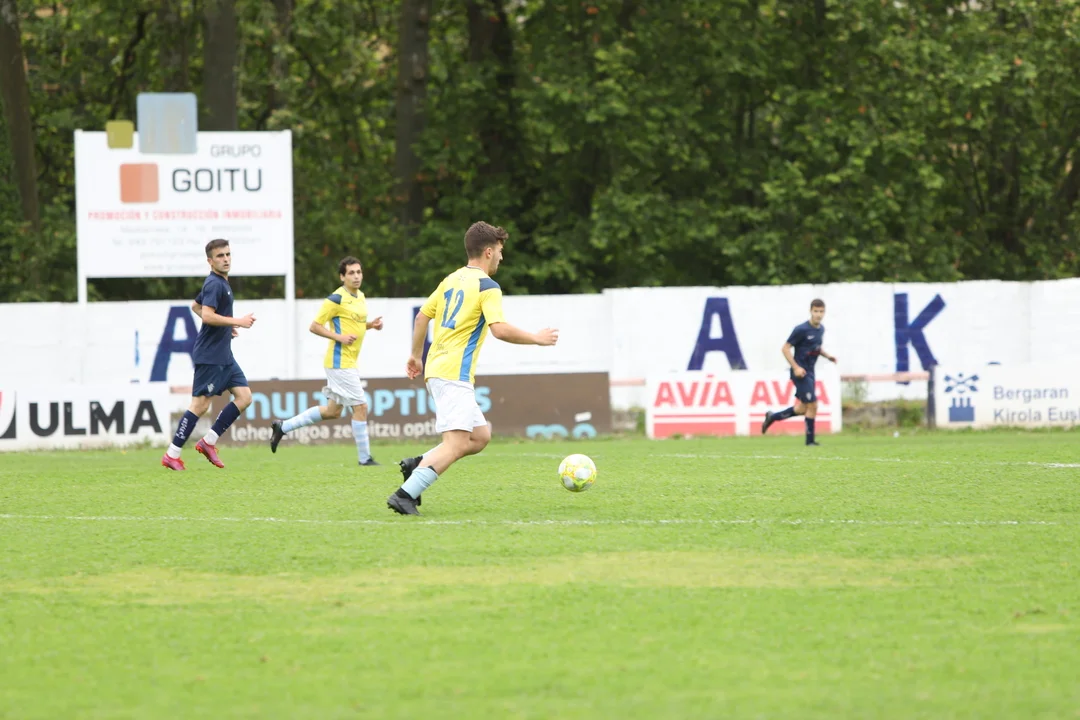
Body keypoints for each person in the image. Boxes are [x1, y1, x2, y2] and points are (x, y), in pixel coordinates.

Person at [387, 221, 559, 515]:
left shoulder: (451, 279)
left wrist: (416, 356)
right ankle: (405, 494)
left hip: (438, 369)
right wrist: (536, 338)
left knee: (479, 437)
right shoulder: (487, 286)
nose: (502, 257)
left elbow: (421, 318)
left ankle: (418, 465)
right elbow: (499, 329)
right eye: (500, 251)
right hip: (453, 373)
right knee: (455, 445)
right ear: (489, 252)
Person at [269, 256, 383, 465]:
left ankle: (283, 427)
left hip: (348, 362)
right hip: (340, 362)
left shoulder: (360, 296)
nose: (356, 276)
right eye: (351, 273)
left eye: (359, 272)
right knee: (360, 407)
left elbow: (354, 323)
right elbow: (314, 326)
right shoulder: (335, 299)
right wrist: (339, 337)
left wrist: (370, 325)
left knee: (333, 411)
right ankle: (365, 459)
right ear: (342, 277)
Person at [161, 239, 256, 470]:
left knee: (244, 397)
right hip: (210, 355)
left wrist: (226, 328)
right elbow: (206, 315)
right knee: (200, 405)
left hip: (224, 355)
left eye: (228, 254)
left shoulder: (221, 282)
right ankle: (172, 454)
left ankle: (208, 441)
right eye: (220, 256)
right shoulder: (214, 283)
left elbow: (195, 306)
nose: (226, 259)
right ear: (210, 261)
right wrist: (237, 322)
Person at [761, 298, 837, 446]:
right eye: (816, 311)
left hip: (811, 372)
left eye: (821, 311)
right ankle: (810, 442)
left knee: (803, 408)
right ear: (810, 311)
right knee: (813, 404)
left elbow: (816, 347)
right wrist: (796, 367)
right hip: (800, 373)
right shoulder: (801, 329)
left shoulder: (820, 329)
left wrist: (828, 356)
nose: (818, 314)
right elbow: (785, 348)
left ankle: (772, 417)